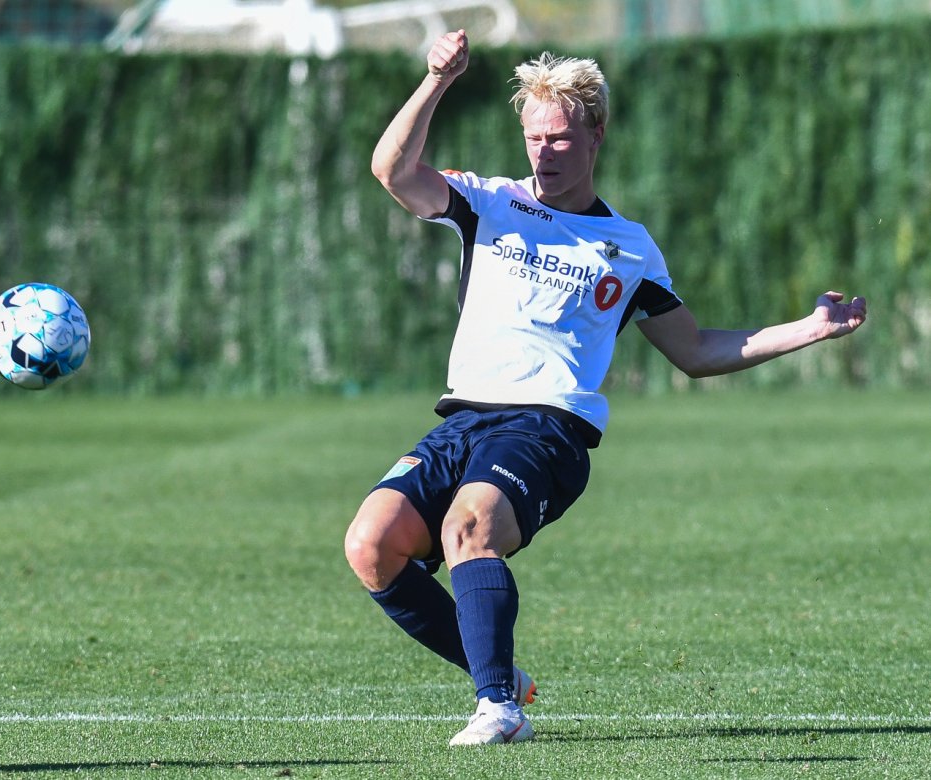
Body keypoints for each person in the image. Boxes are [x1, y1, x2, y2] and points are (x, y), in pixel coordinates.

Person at [343, 29, 868, 747]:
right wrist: (436, 80)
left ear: (596, 134)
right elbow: (392, 169)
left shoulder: (629, 247)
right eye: (534, 138)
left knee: (471, 527)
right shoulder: (487, 202)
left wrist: (809, 328)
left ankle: (498, 709)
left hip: (547, 428)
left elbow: (695, 350)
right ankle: (501, 674)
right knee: (371, 545)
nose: (544, 152)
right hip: (463, 418)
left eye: (560, 138)